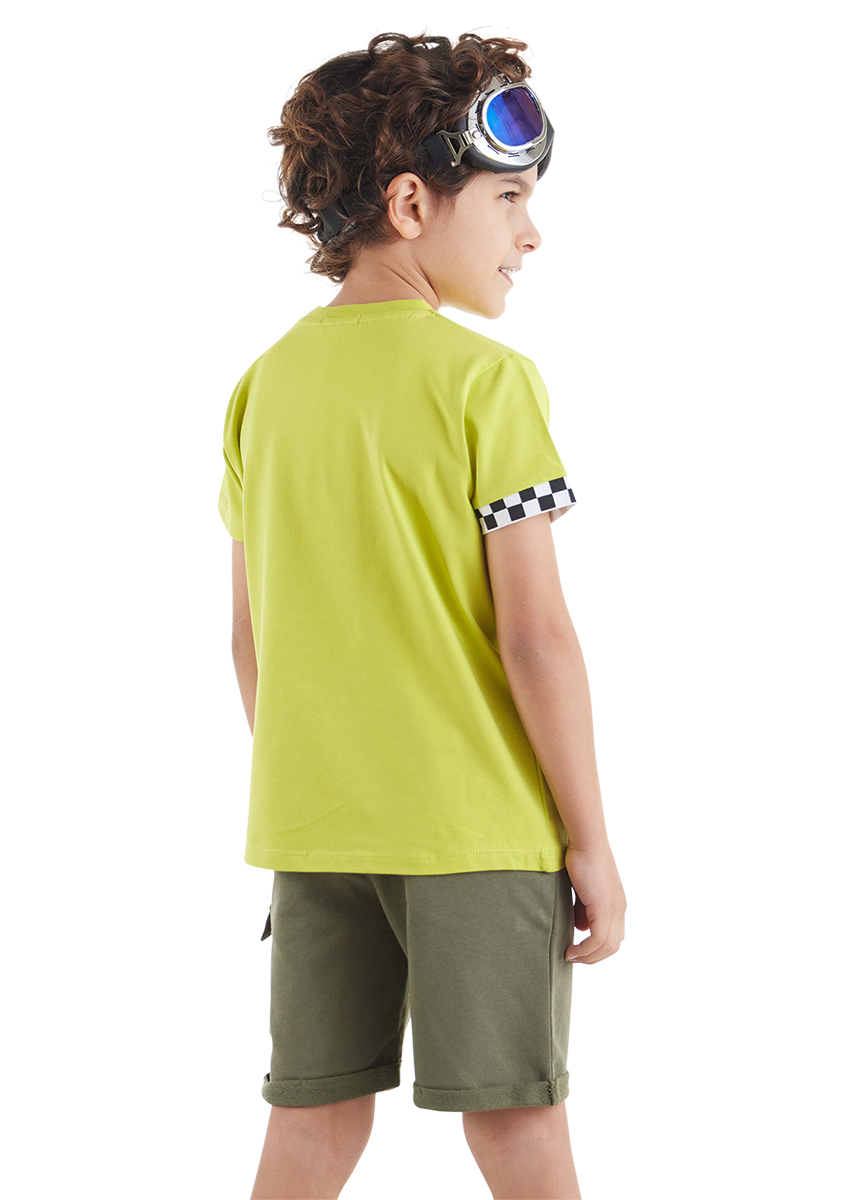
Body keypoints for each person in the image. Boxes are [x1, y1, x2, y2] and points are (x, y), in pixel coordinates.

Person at [218, 30, 626, 1200]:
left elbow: (250, 637)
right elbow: (536, 638)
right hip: (475, 833)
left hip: (316, 831)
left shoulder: (263, 387)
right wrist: (590, 841)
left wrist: (328, 783)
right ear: (410, 203)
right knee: (517, 1120)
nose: (531, 234)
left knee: (312, 1122)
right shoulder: (488, 383)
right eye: (508, 198)